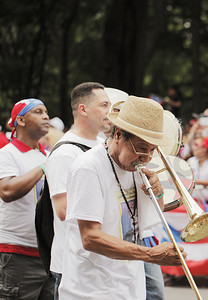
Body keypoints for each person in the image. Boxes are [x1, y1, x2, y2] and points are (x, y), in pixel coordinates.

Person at [58, 96, 185, 299]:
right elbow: (90, 237)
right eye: (141, 148)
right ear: (118, 134)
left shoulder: (136, 166)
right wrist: (151, 255)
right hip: (91, 291)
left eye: (152, 150)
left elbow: (151, 217)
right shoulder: (89, 167)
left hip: (129, 287)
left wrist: (158, 192)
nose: (146, 158)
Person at [45, 82, 111, 299]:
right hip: (72, 263)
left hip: (98, 260)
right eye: (103, 105)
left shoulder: (104, 144)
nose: (109, 111)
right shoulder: (65, 152)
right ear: (83, 109)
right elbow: (63, 210)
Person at [0, 98, 54, 299]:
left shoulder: (48, 155)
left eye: (46, 112)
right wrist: (42, 168)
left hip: (48, 254)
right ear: (20, 121)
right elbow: (6, 191)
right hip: (16, 254)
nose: (46, 116)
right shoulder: (7, 154)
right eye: (38, 112)